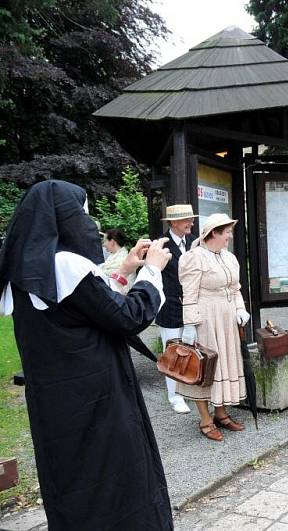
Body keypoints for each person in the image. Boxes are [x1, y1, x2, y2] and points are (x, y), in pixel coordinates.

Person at [0, 180, 174, 530]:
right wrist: (153, 270)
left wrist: (124, 271)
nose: (88, 224)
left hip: (58, 406)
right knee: (120, 484)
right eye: (82, 214)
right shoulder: (64, 264)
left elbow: (85, 309)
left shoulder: (27, 269)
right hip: (98, 401)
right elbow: (127, 317)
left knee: (75, 484)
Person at [177, 213, 250, 442]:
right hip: (206, 317)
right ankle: (205, 420)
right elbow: (189, 294)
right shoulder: (194, 257)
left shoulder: (229, 257)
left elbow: (236, 288)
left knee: (224, 364)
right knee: (204, 368)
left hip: (227, 319)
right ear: (214, 233)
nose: (230, 235)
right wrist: (190, 325)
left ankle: (220, 413)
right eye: (227, 231)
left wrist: (240, 308)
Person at [155, 204, 197, 414]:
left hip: (191, 305)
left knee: (192, 349)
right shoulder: (161, 245)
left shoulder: (193, 241)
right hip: (170, 306)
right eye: (186, 220)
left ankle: (190, 390)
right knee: (172, 352)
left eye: (191, 219)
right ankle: (175, 396)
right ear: (173, 223)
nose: (191, 223)